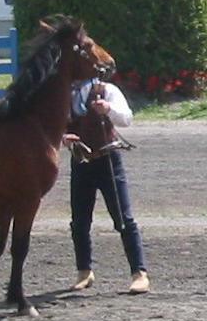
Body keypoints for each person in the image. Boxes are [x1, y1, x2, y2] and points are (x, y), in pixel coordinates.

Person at [62, 76, 149, 294]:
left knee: (123, 218)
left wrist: (108, 109)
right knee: (79, 221)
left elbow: (126, 119)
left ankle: (139, 273)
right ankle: (84, 271)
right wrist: (63, 137)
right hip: (81, 161)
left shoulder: (106, 90)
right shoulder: (66, 95)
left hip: (108, 159)